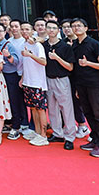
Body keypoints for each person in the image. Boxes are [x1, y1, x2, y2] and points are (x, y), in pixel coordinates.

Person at [71, 17, 99, 158]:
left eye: (79, 25)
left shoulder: (94, 44)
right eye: (74, 26)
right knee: (88, 112)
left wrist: (88, 63)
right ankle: (95, 139)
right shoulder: (75, 44)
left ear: (86, 28)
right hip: (81, 84)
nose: (76, 28)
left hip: (94, 84)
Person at [43, 20, 76, 150]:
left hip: (61, 80)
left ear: (58, 30)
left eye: (54, 28)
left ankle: (70, 137)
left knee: (66, 109)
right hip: (47, 79)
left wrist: (57, 58)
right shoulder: (44, 45)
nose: (51, 30)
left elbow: (70, 67)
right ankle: (57, 133)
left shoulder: (65, 46)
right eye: (49, 28)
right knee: (52, 108)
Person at [19, 21, 48, 147]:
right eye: (22, 29)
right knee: (32, 108)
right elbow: (26, 65)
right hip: (27, 82)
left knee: (40, 109)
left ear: (32, 31)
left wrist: (30, 55)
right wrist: (22, 78)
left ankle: (43, 135)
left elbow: (43, 62)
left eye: (27, 29)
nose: (24, 31)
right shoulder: (24, 44)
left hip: (38, 83)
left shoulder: (38, 45)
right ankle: (37, 132)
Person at [0, 22, 21, 140]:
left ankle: (16, 127)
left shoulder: (9, 45)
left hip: (9, 76)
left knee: (13, 101)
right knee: (2, 101)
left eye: (0, 31)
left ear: (5, 32)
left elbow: (16, 61)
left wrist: (8, 56)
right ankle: (7, 124)